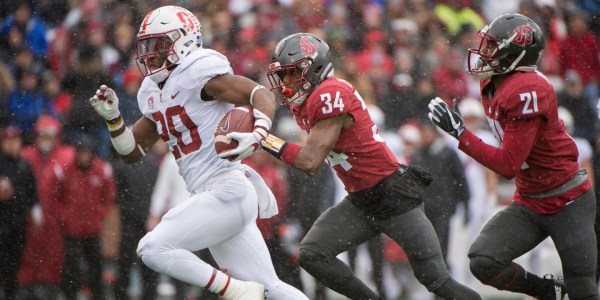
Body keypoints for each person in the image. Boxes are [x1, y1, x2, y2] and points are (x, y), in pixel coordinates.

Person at [88, 5, 307, 300]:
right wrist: (114, 119)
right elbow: (133, 152)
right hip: (215, 196)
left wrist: (258, 132)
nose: (149, 54)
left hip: (227, 190)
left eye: (158, 44)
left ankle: (237, 292)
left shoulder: (199, 71)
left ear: (184, 41)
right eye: (146, 46)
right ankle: (245, 291)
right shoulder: (152, 91)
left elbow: (260, 94)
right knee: (271, 289)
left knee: (152, 249)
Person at [259, 32, 481, 300]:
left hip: (394, 196)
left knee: (436, 280)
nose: (284, 82)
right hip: (362, 199)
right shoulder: (309, 101)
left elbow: (309, 161)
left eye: (289, 73)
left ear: (313, 68)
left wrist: (263, 139)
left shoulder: (330, 93)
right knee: (313, 254)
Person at [427, 13, 598, 300]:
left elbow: (508, 165)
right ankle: (550, 292)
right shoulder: (494, 82)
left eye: (492, 46)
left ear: (514, 53)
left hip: (567, 199)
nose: (484, 52)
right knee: (484, 260)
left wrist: (461, 135)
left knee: (583, 289)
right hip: (531, 199)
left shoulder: (527, 89)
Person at [59, 134, 116, 300]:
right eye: (81, 152)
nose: (84, 156)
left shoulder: (101, 169)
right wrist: (65, 215)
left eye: (87, 152)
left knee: (95, 265)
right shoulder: (65, 170)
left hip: (92, 228)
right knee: (71, 266)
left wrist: (100, 213)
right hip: (71, 229)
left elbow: (109, 194)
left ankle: (97, 294)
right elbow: (57, 195)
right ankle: (70, 294)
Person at [0, 126, 37, 300]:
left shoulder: (25, 165)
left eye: (15, 140)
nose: (12, 144)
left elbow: (32, 191)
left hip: (18, 223)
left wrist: (35, 208)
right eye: (8, 141)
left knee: (14, 263)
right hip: (2, 222)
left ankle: (10, 294)